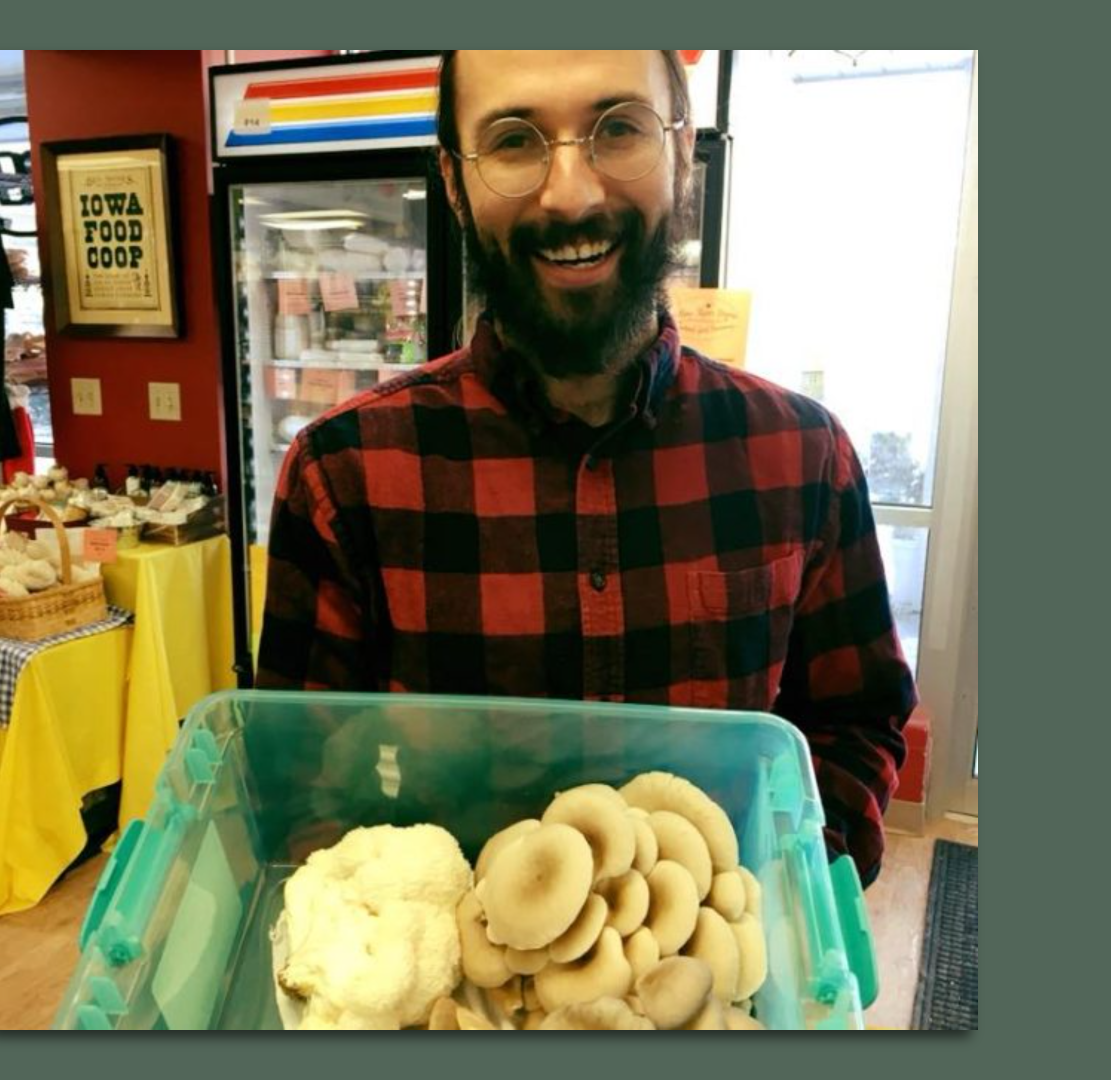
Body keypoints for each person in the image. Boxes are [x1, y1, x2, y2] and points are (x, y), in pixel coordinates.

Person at [256, 50, 916, 885]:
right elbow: (297, 785)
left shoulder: (802, 456)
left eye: (619, 128)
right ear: (455, 183)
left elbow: (856, 722)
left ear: (683, 154)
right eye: (513, 140)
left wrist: (784, 897)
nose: (571, 194)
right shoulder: (343, 477)